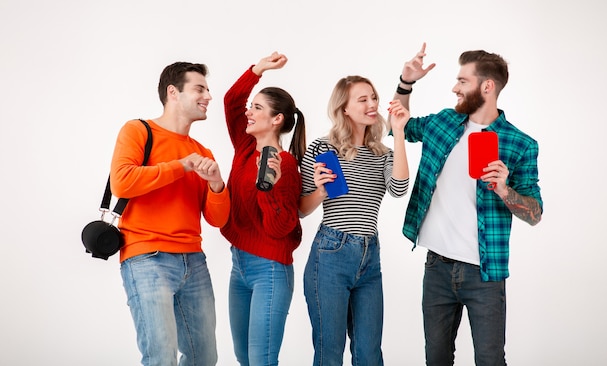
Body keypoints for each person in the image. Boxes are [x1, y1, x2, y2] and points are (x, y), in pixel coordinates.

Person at [393, 43, 543, 365]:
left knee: (490, 359)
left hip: (485, 275)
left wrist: (505, 190)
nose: (454, 88)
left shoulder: (521, 144)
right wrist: (406, 83)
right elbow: (401, 125)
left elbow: (535, 214)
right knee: (436, 358)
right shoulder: (444, 122)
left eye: (463, 81)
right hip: (437, 268)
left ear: (486, 86)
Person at [110, 61, 230, 366]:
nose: (208, 96)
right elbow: (122, 182)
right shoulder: (138, 130)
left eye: (207, 89)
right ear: (173, 92)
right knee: (161, 357)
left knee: (204, 358)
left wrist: (217, 185)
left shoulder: (203, 152)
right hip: (147, 258)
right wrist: (181, 166)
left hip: (194, 261)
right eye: (200, 88)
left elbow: (217, 220)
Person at [299, 75, 411, 365]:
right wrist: (321, 191)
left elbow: (399, 189)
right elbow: (300, 208)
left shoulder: (382, 153)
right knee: (330, 352)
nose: (372, 104)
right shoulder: (322, 148)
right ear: (344, 108)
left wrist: (398, 133)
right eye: (363, 99)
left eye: (373, 97)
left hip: (369, 257)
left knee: (369, 354)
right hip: (331, 254)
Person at [221, 52, 306, 366]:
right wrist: (257, 70)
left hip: (270, 268)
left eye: (257, 108)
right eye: (251, 106)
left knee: (261, 360)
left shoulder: (284, 164)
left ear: (277, 119)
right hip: (239, 263)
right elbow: (231, 102)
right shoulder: (244, 146)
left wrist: (267, 190)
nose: (249, 112)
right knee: (244, 357)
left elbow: (280, 228)